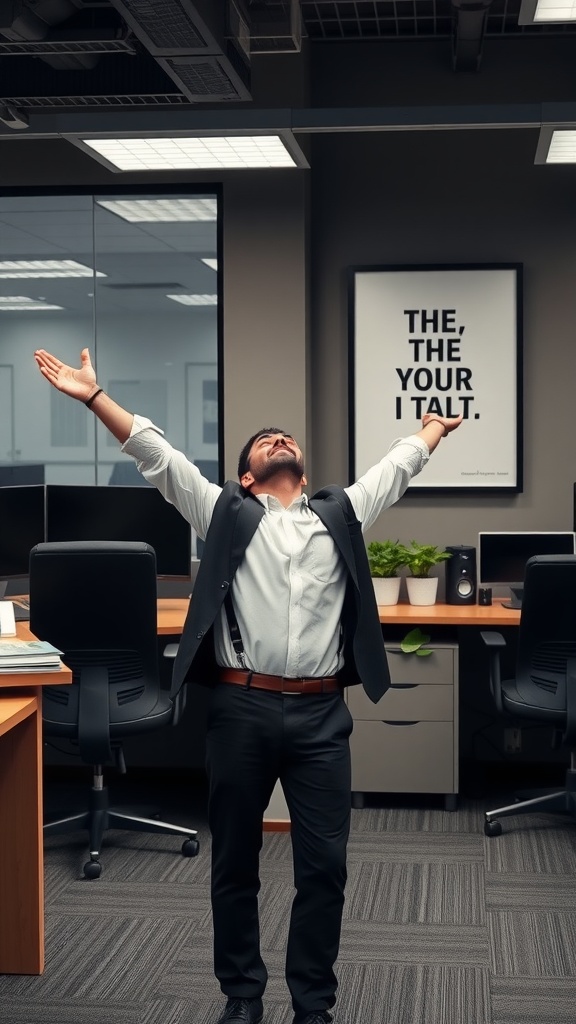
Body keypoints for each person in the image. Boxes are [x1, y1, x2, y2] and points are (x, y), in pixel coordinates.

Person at [34, 347, 463, 1024]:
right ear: (245, 475)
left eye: (286, 438)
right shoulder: (224, 514)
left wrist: (432, 431)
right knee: (235, 864)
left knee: (324, 869)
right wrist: (93, 398)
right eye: (265, 442)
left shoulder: (340, 515)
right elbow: (158, 455)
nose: (280, 440)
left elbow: (395, 468)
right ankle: (242, 996)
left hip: (323, 720)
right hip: (241, 708)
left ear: (305, 469)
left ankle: (313, 1005)